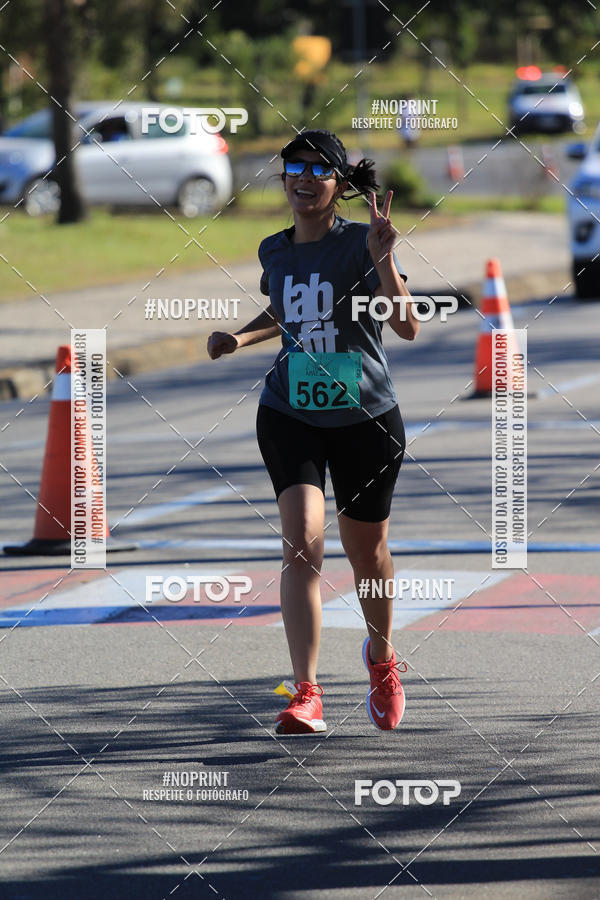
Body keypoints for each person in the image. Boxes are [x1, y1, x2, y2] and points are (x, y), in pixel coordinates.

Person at [207, 129, 419, 735]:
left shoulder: (363, 243)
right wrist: (240, 337)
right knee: (302, 541)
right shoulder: (273, 249)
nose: (303, 178)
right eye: (292, 168)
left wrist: (384, 259)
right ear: (283, 180)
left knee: (367, 554)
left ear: (339, 183)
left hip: (366, 418)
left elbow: (405, 326)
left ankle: (380, 661)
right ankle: (306, 692)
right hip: (290, 412)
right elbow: (286, 308)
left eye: (318, 170)